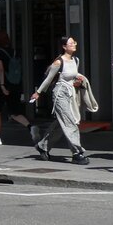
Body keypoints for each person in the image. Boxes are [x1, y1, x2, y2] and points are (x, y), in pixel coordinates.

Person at [29, 36, 91, 165]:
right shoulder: (58, 62)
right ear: (64, 46)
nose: (74, 44)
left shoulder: (76, 60)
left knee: (60, 124)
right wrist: (38, 92)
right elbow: (48, 79)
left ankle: (42, 146)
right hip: (60, 95)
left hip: (70, 94)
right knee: (70, 122)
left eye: (74, 42)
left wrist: (78, 81)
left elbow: (72, 77)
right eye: (71, 43)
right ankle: (77, 152)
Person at [0, 30, 39, 146]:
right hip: (15, 84)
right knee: (14, 111)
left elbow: (0, 69)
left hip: (2, 85)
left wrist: (3, 85)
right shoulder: (14, 52)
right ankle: (31, 127)